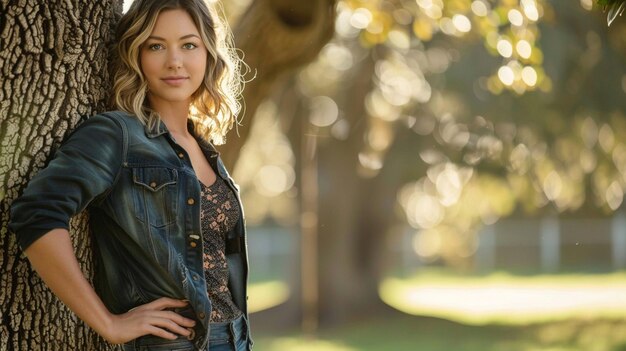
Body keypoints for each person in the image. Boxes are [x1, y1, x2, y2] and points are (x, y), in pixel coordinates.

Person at [9, 0, 252, 350]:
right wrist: (108, 323)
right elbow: (37, 214)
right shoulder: (116, 135)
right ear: (135, 55)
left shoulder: (204, 147)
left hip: (237, 338)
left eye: (188, 44)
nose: (174, 61)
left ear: (208, 53)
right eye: (156, 46)